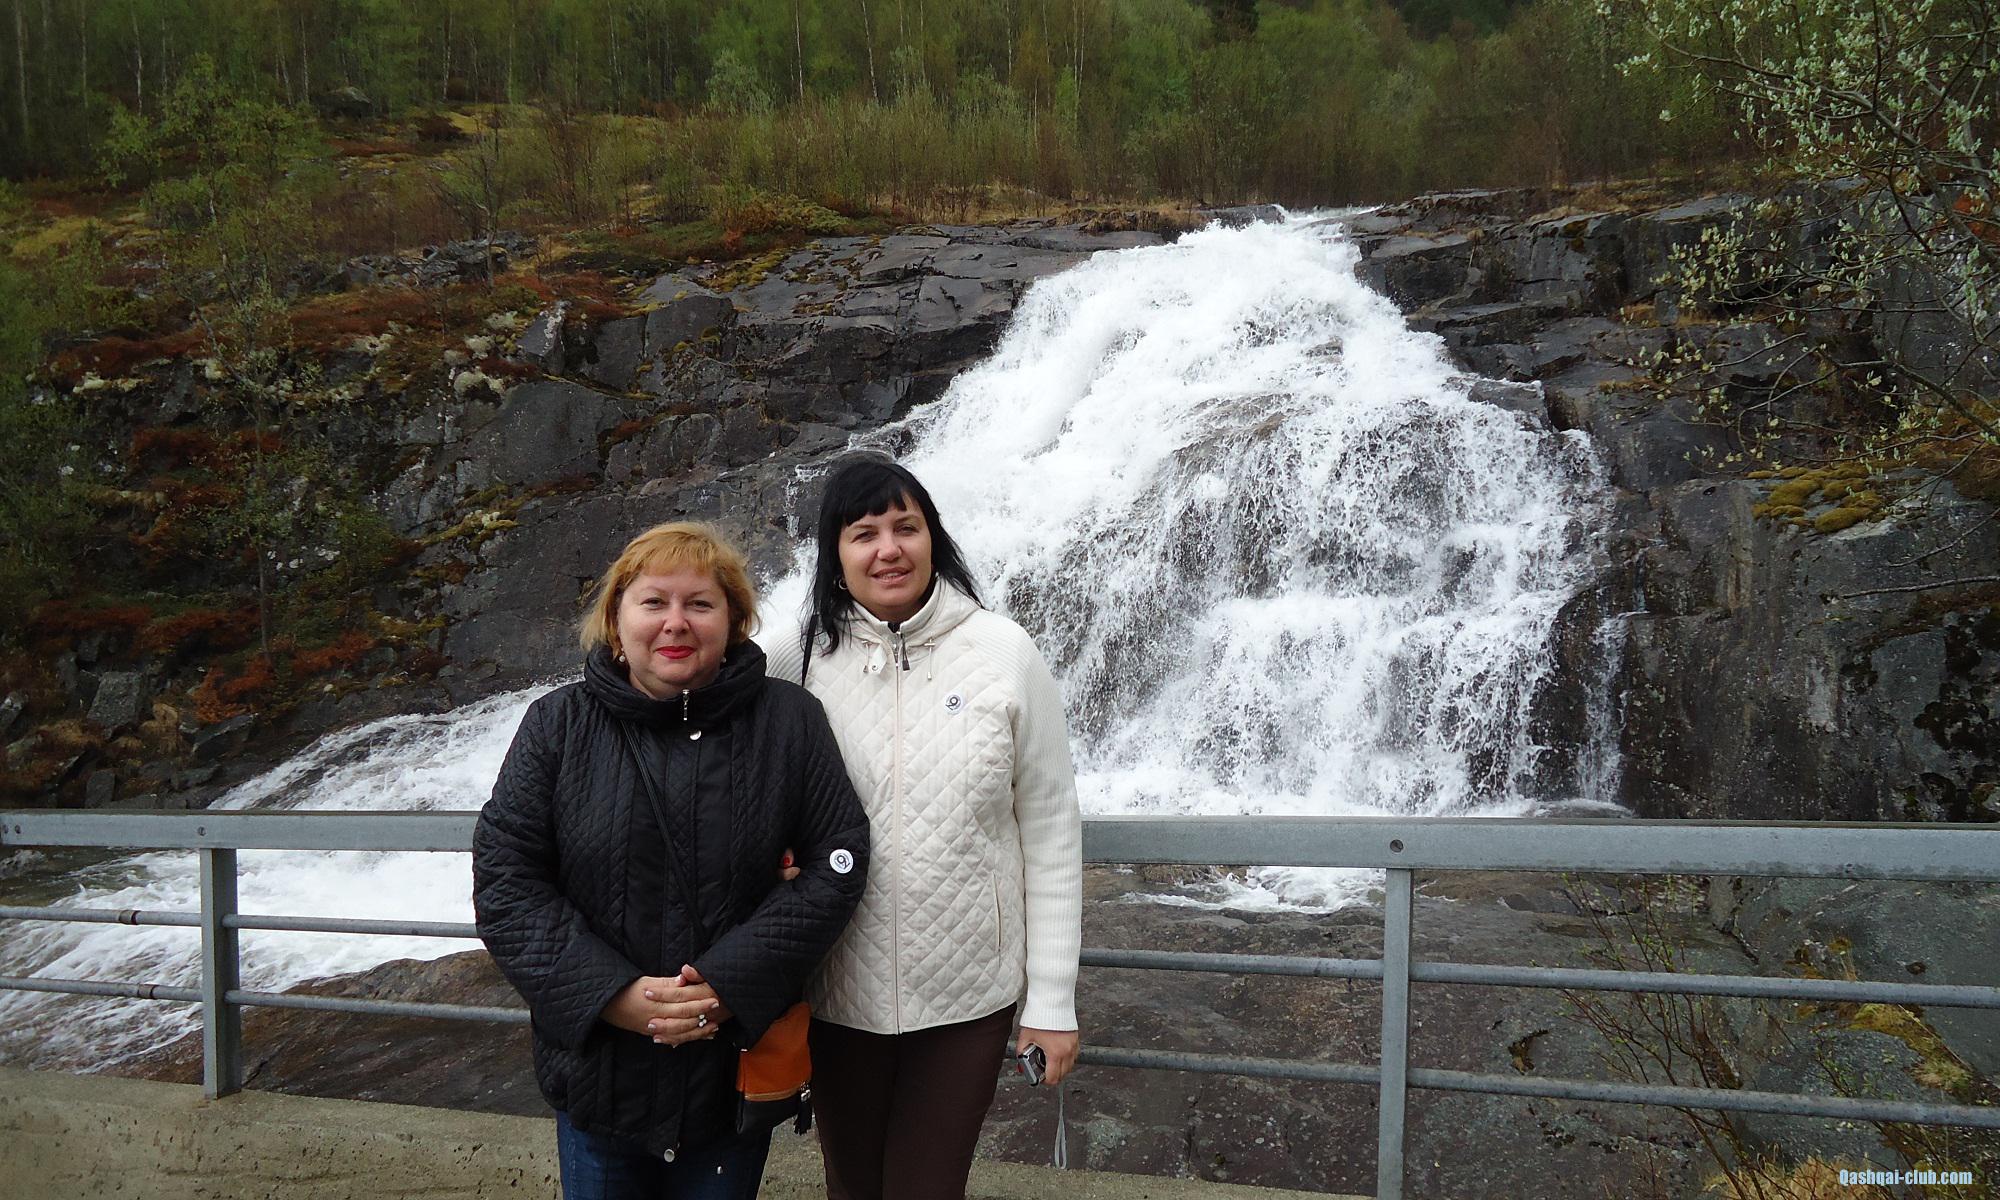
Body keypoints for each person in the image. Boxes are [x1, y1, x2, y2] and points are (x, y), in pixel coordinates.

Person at [473, 522, 870, 1200]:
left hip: (727, 1082)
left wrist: (726, 984)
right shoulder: (558, 725)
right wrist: (611, 997)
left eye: (700, 603)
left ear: (734, 621)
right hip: (600, 1080)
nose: (675, 623)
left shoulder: (789, 721)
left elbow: (837, 864)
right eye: (654, 602)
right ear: (616, 618)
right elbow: (506, 881)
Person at [762, 457, 1084, 1200]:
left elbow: (1051, 832)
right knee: (851, 1187)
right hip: (834, 987)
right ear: (834, 553)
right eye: (863, 533)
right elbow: (707, 742)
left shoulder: (1004, 652)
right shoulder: (794, 655)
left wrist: (1052, 1002)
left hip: (967, 993)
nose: (889, 549)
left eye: (905, 527)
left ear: (932, 537)